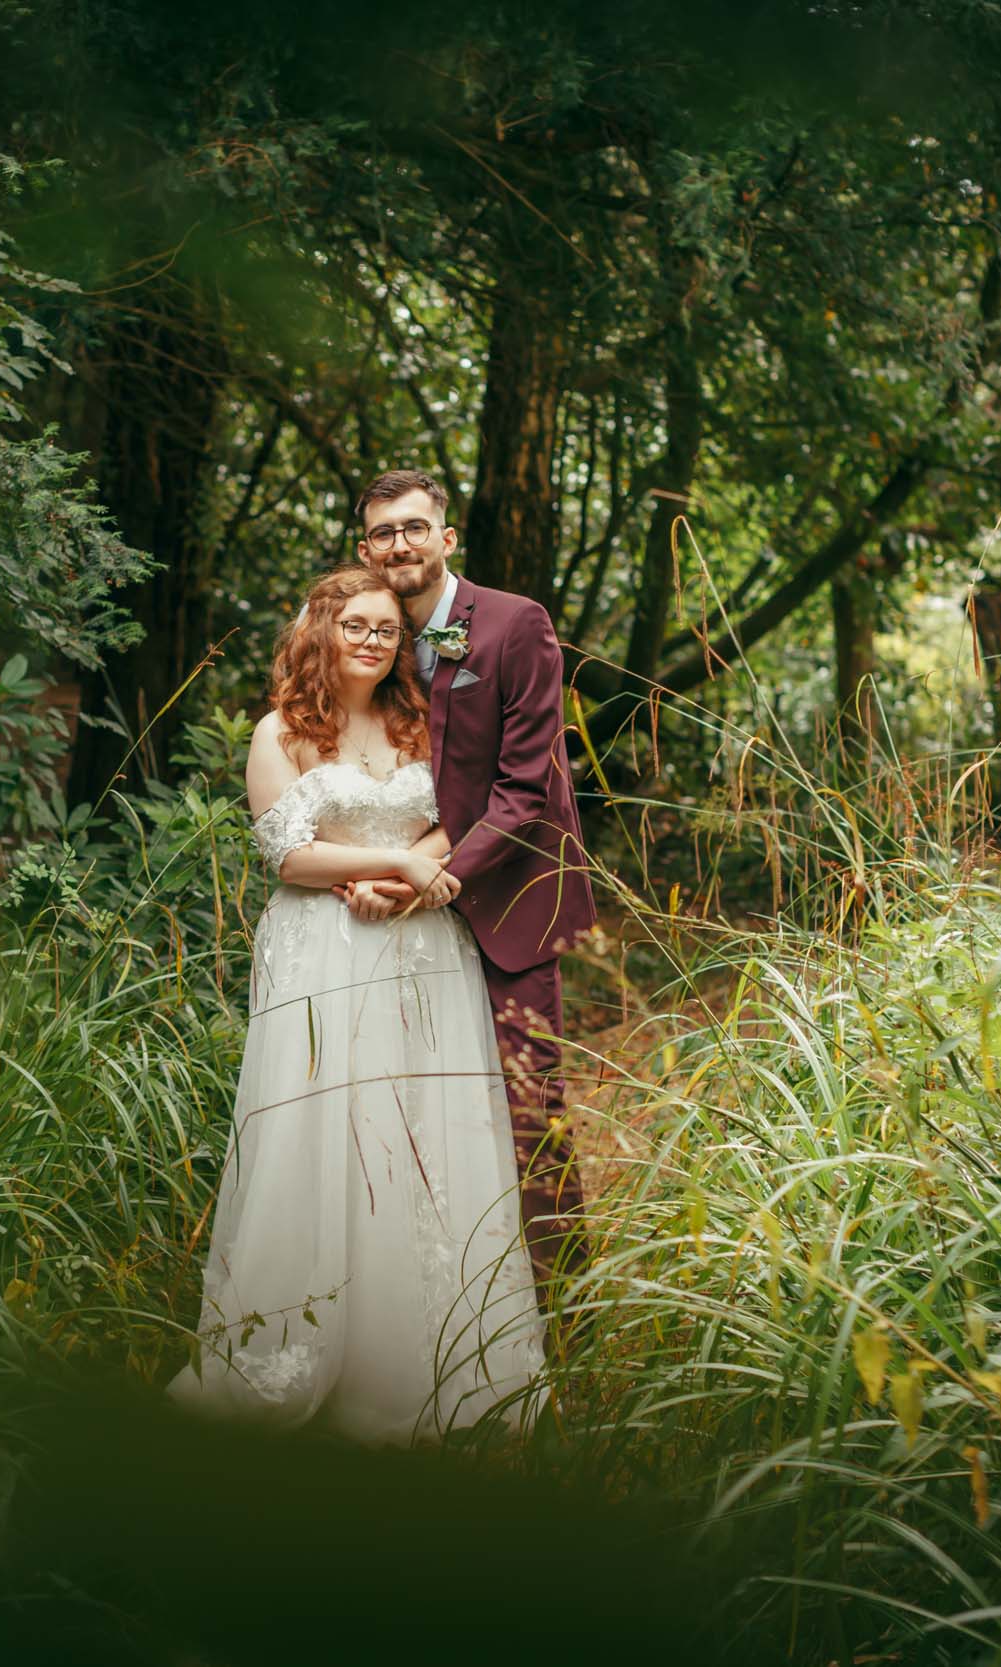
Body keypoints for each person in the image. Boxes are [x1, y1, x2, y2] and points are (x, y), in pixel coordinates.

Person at [165, 566, 549, 1445]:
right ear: (321, 634)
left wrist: (419, 872)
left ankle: (429, 1361)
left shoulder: (422, 722)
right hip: (323, 950)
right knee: (326, 1127)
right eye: (357, 626)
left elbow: (464, 813)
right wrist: (396, 869)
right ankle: (299, 1352)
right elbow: (287, 858)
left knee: (422, 1129)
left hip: (421, 950)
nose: (374, 640)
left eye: (386, 628)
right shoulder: (283, 732)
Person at [335, 469, 598, 1303]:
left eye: (415, 528)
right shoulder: (372, 638)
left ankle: (565, 1306)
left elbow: (528, 788)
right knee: (434, 1106)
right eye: (384, 533)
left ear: (447, 539)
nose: (401, 545)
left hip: (507, 901)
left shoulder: (517, 626)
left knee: (529, 1104)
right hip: (415, 906)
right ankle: (450, 1295)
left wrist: (433, 875)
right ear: (367, 550)